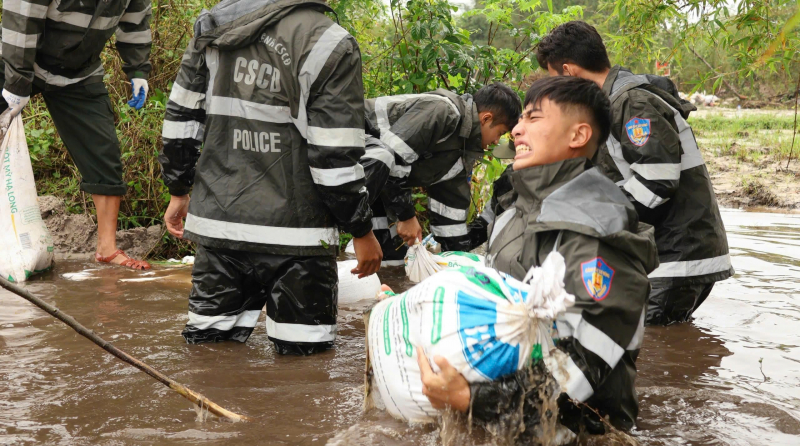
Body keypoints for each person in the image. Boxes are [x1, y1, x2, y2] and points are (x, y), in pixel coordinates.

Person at [417, 76, 658, 437]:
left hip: (578, 433)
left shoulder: (597, 230)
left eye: (533, 118)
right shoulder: (513, 209)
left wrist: (477, 398)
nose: (516, 130)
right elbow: (490, 303)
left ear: (577, 136)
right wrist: (419, 313)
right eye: (519, 121)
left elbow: (585, 366)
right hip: (505, 416)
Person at [159, 0, 382, 355]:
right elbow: (334, 157)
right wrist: (361, 230)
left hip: (220, 229)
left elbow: (181, 121)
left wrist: (178, 188)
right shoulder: (330, 41)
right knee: (305, 375)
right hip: (299, 239)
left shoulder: (215, 25)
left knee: (207, 360)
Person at [535, 21, 734, 325]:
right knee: (668, 344)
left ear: (569, 71)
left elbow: (656, 181)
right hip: (670, 254)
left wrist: (594, 221)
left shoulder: (631, 101)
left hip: (676, 255)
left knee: (652, 352)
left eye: (554, 81)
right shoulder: (611, 104)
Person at [0, 0, 154, 269]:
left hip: (78, 73)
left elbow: (136, 21)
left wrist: (138, 68)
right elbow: (21, 18)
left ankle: (107, 248)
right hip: (16, 58)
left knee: (103, 151)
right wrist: (16, 84)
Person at [359, 83, 520, 262]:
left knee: (391, 261)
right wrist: (407, 216)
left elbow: (451, 217)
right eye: (500, 133)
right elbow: (392, 160)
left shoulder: (460, 153)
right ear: (486, 119)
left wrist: (458, 260)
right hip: (349, 151)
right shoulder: (443, 111)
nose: (496, 141)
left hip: (376, 182)